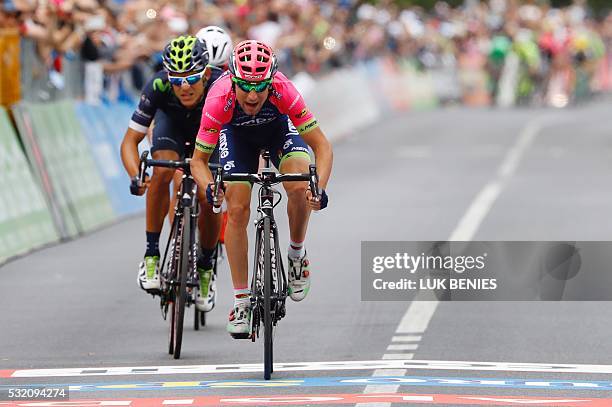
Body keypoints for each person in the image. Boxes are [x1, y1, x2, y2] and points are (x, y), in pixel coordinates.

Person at [190, 40, 333, 337]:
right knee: (238, 206)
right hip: (237, 136)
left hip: (278, 128)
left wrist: (318, 188)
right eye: (244, 86)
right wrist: (209, 189)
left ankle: (296, 254)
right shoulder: (218, 97)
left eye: (260, 86)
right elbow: (198, 162)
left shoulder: (285, 90)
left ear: (271, 81)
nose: (253, 95)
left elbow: (322, 146)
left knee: (298, 181)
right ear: (232, 80)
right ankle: (241, 300)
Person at [120, 35, 222, 312]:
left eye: (191, 78)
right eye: (176, 80)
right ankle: (151, 254)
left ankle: (205, 267)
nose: (184, 87)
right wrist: (136, 176)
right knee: (162, 171)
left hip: (208, 133)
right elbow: (130, 142)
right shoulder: (158, 84)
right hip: (171, 128)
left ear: (207, 73)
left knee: (207, 194)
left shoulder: (221, 86)